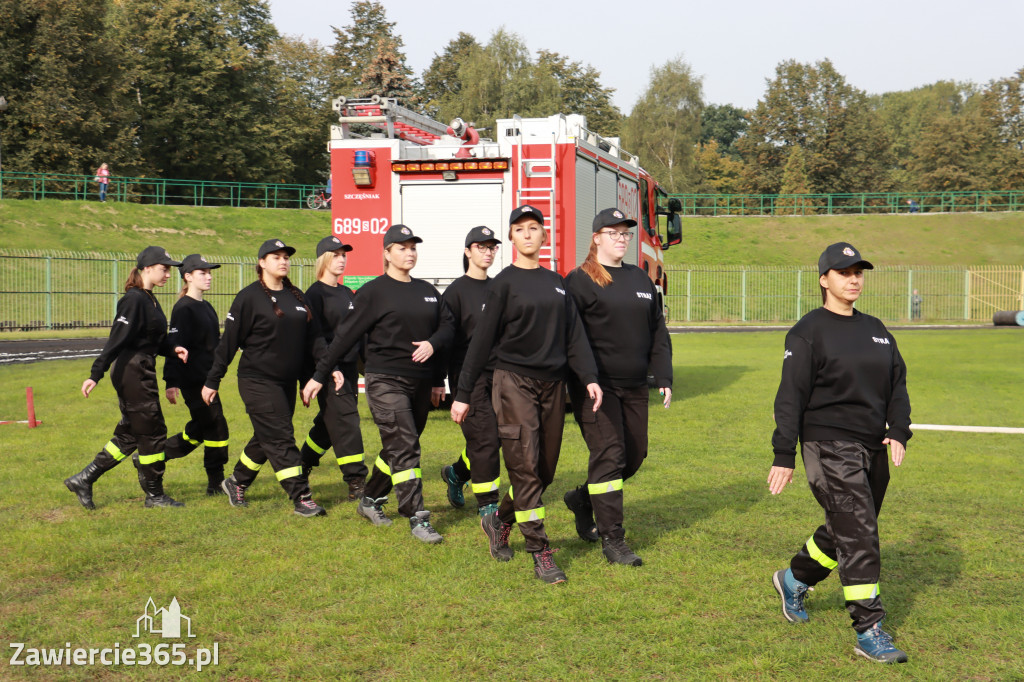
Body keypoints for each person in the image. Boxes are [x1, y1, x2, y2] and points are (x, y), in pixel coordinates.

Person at [768, 242, 912, 664]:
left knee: (847, 526)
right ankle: (869, 629)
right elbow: (790, 396)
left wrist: (899, 430)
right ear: (823, 279)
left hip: (873, 446)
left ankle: (792, 579)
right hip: (828, 444)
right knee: (861, 533)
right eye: (844, 272)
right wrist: (783, 454)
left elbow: (897, 383)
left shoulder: (877, 329)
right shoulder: (808, 331)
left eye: (859, 272)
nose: (854, 279)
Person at [451, 205, 602, 584]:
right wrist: (463, 392)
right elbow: (480, 342)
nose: (529, 234)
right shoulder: (503, 284)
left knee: (544, 470)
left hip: (553, 386)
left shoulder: (556, 283)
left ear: (543, 236)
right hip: (513, 382)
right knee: (524, 466)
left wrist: (588, 377)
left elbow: (573, 337)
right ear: (513, 238)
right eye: (520, 230)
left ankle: (500, 521)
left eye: (535, 228)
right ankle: (540, 551)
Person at [302, 224, 452, 544]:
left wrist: (436, 365)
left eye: (413, 247)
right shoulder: (373, 291)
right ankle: (418, 517)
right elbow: (345, 337)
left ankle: (369, 500)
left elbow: (446, 330)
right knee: (407, 446)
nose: (409, 252)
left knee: (396, 447)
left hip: (422, 383)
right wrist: (319, 374)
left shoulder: (427, 290)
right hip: (385, 380)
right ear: (386, 253)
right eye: (402, 247)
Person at [562, 208, 673, 567]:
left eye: (625, 233)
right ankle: (614, 540)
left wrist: (664, 376)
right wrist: (586, 378)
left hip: (634, 386)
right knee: (610, 457)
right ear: (596, 238)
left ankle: (582, 499)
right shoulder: (579, 280)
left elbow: (658, 331)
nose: (621, 239)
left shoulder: (641, 279)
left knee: (634, 456)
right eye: (613, 233)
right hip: (596, 388)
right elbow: (571, 337)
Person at [203, 238, 328, 518]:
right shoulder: (248, 297)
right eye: (276, 257)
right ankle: (301, 497)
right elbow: (228, 344)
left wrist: (324, 371)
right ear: (261, 263)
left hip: (286, 382)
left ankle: (236, 481)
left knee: (267, 435)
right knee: (282, 437)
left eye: (286, 256)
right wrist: (213, 380)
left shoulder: (297, 296)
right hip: (257, 380)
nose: (283, 261)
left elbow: (315, 340)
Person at [64, 246, 189, 509]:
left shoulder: (149, 298)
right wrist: (95, 374)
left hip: (141, 366)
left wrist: (172, 349)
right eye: (164, 269)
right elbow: (117, 339)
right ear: (147, 268)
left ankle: (83, 479)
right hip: (132, 370)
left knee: (131, 434)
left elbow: (150, 339)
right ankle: (154, 496)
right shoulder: (134, 300)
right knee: (153, 431)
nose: (168, 274)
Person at [438, 227, 504, 525]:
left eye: (492, 247)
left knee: (496, 437)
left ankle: (456, 473)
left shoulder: (499, 288)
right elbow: (446, 339)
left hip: (502, 376)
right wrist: (441, 382)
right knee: (485, 439)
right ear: (467, 252)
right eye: (481, 246)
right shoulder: (456, 292)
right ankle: (489, 505)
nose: (487, 252)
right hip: (469, 378)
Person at [299, 235, 369, 501]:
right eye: (336, 255)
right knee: (347, 422)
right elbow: (314, 338)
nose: (342, 260)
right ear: (323, 259)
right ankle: (356, 482)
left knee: (330, 425)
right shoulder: (314, 295)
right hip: (326, 370)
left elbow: (355, 333)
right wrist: (328, 368)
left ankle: (301, 464)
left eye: (344, 255)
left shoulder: (345, 292)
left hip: (348, 368)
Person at [162, 254, 230, 496]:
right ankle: (216, 484)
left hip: (209, 380)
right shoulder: (183, 308)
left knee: (202, 429)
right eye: (203, 273)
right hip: (194, 381)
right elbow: (174, 345)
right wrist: (171, 383)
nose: (209, 276)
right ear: (188, 277)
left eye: (210, 272)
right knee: (217, 429)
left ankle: (154, 458)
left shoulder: (207, 306)